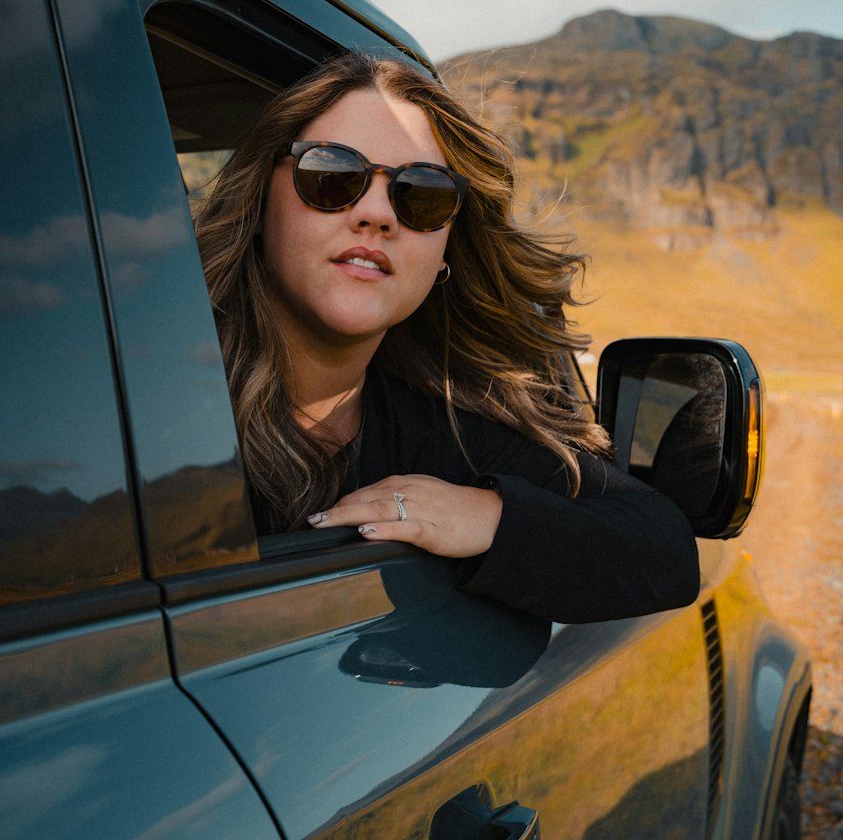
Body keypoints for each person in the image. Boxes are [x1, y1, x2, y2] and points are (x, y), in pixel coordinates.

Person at [194, 52, 699, 623]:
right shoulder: (145, 393)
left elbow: (664, 551)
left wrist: (488, 516)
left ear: (443, 254)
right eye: (332, 175)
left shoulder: (449, 431)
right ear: (260, 200)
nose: (378, 214)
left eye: (422, 195)